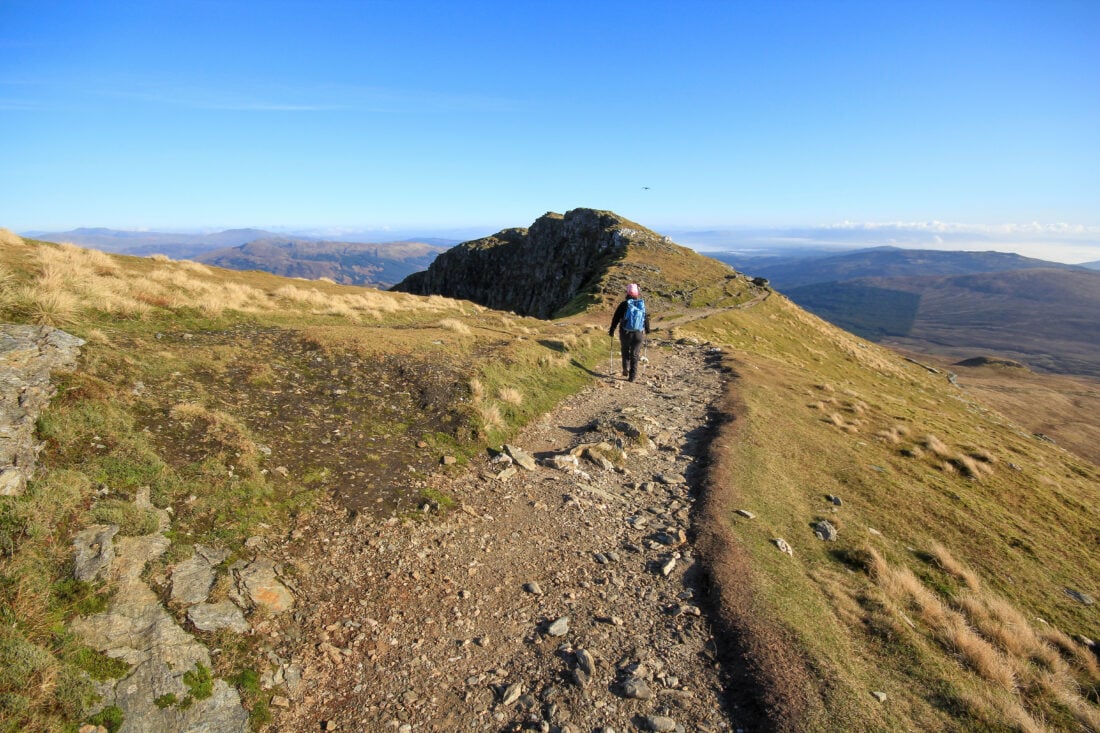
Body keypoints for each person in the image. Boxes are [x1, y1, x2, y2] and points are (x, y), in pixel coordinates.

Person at [608, 283, 650, 382]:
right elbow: (645, 318)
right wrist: (647, 330)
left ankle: (625, 368)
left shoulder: (623, 304)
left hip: (625, 332)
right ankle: (632, 376)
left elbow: (616, 318)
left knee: (625, 349)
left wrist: (612, 329)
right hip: (638, 334)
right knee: (635, 354)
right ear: (637, 293)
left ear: (627, 293)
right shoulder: (641, 305)